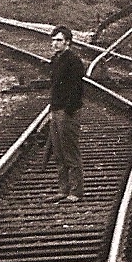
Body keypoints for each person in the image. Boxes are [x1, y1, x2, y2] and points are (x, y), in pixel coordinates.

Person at [48, 25, 86, 202]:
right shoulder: (56, 60)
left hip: (68, 112)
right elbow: (55, 89)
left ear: (68, 42)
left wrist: (68, 110)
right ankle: (63, 189)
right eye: (53, 40)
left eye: (59, 40)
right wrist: (52, 110)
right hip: (56, 110)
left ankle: (76, 191)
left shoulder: (73, 61)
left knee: (70, 151)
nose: (55, 44)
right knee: (58, 152)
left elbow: (77, 88)